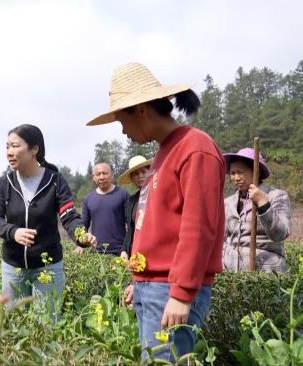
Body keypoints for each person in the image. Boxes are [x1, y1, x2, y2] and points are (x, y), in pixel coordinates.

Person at [87, 63, 225, 361]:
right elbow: (155, 226)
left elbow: (198, 226)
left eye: (122, 120)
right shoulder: (164, 153)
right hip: (153, 287)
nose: (122, 131)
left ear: (141, 111)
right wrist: (138, 280)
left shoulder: (194, 147)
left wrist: (181, 293)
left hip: (170, 290)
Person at [0, 124, 96, 319]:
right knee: (13, 322)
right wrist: (13, 232)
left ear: (34, 149)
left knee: (47, 323)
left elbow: (69, 215)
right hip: (14, 266)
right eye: (7, 147)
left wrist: (81, 236)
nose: (9, 152)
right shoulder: (4, 184)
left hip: (48, 266)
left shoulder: (55, 181)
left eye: (15, 146)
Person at [223, 147, 291, 272]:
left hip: (264, 272)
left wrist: (263, 203)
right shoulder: (228, 202)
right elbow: (222, 237)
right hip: (231, 273)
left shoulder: (276, 196)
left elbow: (280, 234)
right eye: (233, 173)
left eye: (241, 172)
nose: (236, 178)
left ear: (256, 172)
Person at [79, 162, 128, 255]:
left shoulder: (123, 194)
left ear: (112, 174)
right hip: (96, 252)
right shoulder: (88, 198)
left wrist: (125, 249)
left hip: (120, 252)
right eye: (98, 174)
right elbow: (84, 225)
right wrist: (80, 244)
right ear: (93, 177)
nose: (101, 177)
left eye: (105, 173)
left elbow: (130, 225)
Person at [118, 155, 152, 260]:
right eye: (136, 174)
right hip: (137, 253)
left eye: (143, 172)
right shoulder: (132, 200)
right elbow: (131, 229)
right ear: (132, 179)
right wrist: (124, 250)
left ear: (150, 173)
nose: (140, 176)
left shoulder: (159, 194)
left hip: (157, 251)